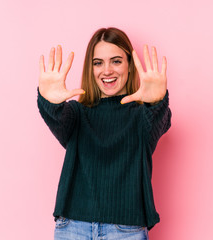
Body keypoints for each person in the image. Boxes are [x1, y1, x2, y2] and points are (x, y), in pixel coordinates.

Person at [37, 27, 171, 240]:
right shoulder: (77, 113)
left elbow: (158, 121)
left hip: (126, 230)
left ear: (129, 65)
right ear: (91, 69)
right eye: (98, 63)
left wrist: (156, 102)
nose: (106, 70)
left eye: (116, 61)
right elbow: (57, 118)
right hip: (73, 227)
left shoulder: (142, 117)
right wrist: (50, 101)